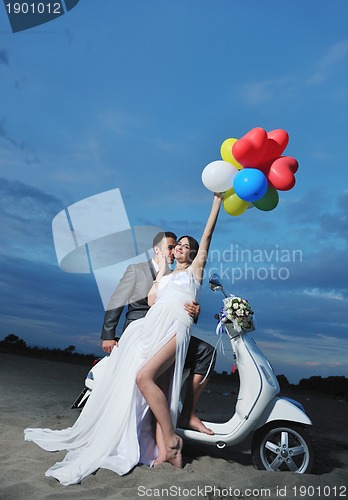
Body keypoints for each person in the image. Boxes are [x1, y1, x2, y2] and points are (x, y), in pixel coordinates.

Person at [24, 193, 222, 485]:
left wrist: (216, 200)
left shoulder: (195, 272)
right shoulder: (161, 276)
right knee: (162, 388)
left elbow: (207, 235)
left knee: (145, 378)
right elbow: (153, 301)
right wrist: (162, 273)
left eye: (184, 246)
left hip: (174, 329)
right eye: (175, 245)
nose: (178, 248)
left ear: (192, 254)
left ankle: (172, 440)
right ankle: (163, 449)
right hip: (151, 328)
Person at [101, 230, 216, 435]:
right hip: (141, 327)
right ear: (157, 249)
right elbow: (117, 301)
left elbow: (183, 299)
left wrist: (196, 311)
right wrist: (109, 334)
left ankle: (187, 413)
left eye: (177, 247)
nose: (174, 251)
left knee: (207, 351)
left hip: (169, 328)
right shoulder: (137, 270)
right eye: (170, 247)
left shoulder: (176, 273)